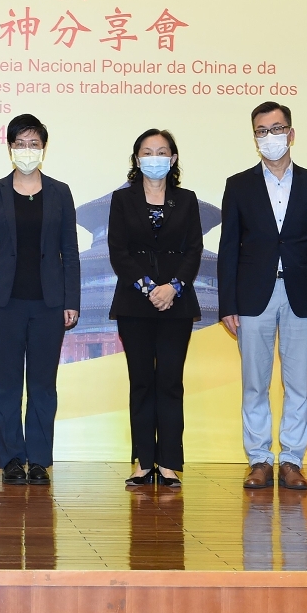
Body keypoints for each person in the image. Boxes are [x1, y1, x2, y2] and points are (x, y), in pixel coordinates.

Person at [218, 102, 307, 491]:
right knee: (255, 383)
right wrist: (228, 303)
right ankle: (259, 460)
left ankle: (291, 461)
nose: (270, 137)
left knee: (297, 383)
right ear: (254, 138)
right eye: (262, 131)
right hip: (253, 296)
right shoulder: (239, 185)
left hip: (303, 294)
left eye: (277, 128)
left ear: (291, 133)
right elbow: (229, 248)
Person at [0, 114, 80, 486]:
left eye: (34, 144)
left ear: (44, 148)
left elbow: (70, 251)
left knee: (42, 386)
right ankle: (11, 459)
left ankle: (38, 460)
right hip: (5, 304)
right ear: (10, 148)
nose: (27, 150)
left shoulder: (60, 192)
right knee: (6, 385)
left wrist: (71, 300)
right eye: (20, 143)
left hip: (49, 304)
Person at [107, 129, 203, 490]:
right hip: (135, 304)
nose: (155, 158)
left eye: (162, 152)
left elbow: (194, 250)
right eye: (147, 152)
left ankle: (169, 463)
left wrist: (172, 287)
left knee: (170, 382)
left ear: (173, 159)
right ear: (137, 159)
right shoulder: (122, 199)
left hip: (177, 305)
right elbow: (119, 251)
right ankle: (143, 461)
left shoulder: (186, 200)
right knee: (142, 382)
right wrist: (149, 289)